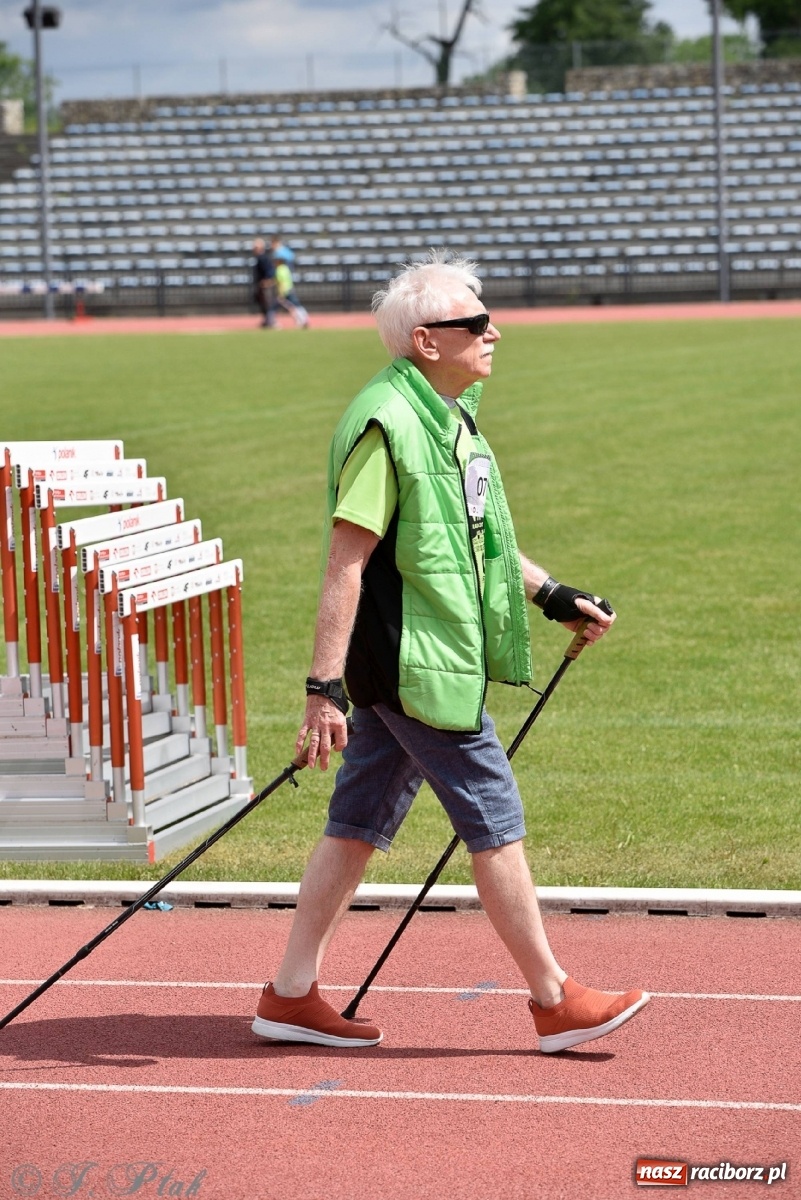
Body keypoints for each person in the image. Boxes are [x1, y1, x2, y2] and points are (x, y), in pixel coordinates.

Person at [252, 252, 649, 1054]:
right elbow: (345, 562)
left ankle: (289, 994)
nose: (493, 332)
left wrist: (549, 593)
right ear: (427, 341)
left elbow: (472, 540)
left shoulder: (447, 417)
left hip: (421, 661)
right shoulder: (387, 425)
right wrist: (322, 688)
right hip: (416, 667)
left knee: (356, 823)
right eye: (475, 322)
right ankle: (553, 999)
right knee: (493, 818)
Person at [274, 255, 309, 329]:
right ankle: (302, 319)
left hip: (285, 291)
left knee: (290, 307)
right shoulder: (286, 268)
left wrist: (281, 294)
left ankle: (301, 320)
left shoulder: (279, 270)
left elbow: (281, 282)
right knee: (295, 305)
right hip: (290, 289)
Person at [251, 238, 276, 328]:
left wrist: (267, 280)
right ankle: (267, 320)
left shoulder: (263, 258)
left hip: (265, 285)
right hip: (260, 284)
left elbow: (269, 271)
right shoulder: (258, 258)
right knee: (262, 303)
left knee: (268, 303)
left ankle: (271, 321)